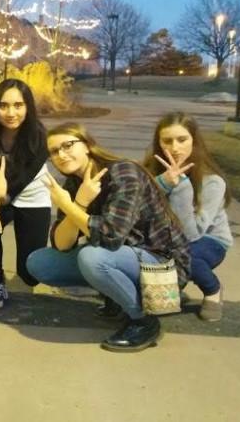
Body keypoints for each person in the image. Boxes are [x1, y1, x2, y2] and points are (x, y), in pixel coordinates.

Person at [26, 123, 191, 352]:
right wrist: (78, 203)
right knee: (39, 262)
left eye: (68, 145)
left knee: (92, 257)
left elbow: (111, 236)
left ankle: (143, 321)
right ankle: (116, 295)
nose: (61, 155)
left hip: (163, 266)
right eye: (54, 151)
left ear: (87, 146)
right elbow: (61, 245)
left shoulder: (124, 172)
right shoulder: (73, 184)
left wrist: (68, 205)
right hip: (123, 257)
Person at [0, 78, 51, 309]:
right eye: (3, 105)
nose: (11, 112)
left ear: (28, 107)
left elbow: (21, 182)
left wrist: (3, 196)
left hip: (30, 194)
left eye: (18, 105)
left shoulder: (39, 136)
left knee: (30, 274)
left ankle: (42, 267)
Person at [145, 112, 231, 321]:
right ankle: (175, 286)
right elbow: (137, 208)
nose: (175, 148)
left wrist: (181, 187)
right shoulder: (149, 170)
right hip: (163, 237)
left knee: (186, 256)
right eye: (167, 141)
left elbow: (193, 234)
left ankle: (213, 290)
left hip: (207, 239)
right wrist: (162, 183)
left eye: (182, 140)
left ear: (194, 141)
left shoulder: (212, 181)